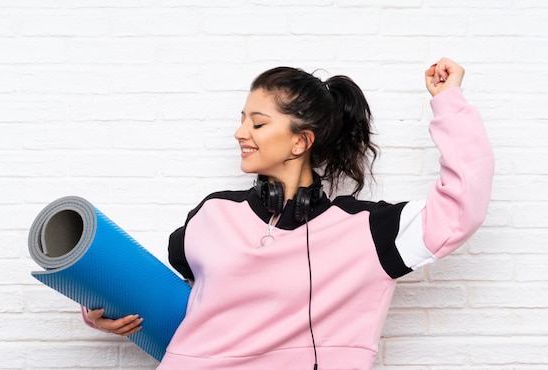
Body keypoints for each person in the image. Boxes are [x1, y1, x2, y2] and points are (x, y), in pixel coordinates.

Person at [83, 57, 494, 370]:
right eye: (242, 119)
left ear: (300, 142)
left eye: (258, 123)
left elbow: (462, 207)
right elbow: (161, 293)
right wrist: (101, 301)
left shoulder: (366, 231)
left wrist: (449, 104)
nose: (240, 132)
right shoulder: (212, 214)